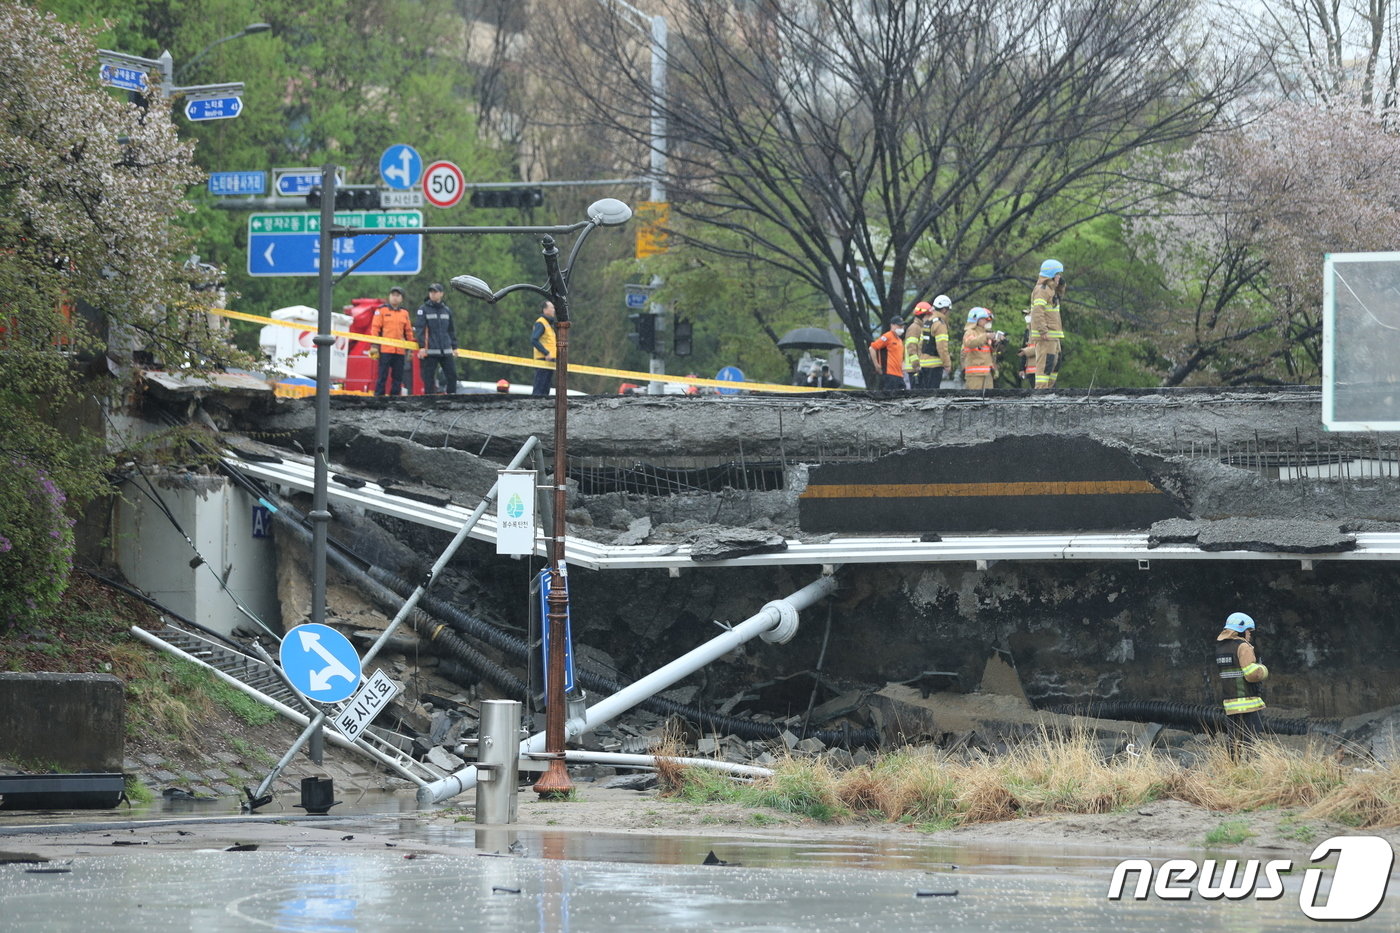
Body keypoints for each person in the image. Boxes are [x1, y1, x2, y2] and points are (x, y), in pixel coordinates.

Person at [1214, 611, 1270, 755]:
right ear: (1241, 630)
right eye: (1248, 631)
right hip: (1248, 704)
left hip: (1230, 705)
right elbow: (1251, 675)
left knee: (1234, 742)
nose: (1250, 635)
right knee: (1252, 742)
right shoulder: (1243, 646)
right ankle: (1252, 772)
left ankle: (1234, 770)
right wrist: (1262, 670)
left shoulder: (1221, 648)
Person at [414, 283, 458, 395]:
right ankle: (430, 402)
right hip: (430, 350)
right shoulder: (423, 309)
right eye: (431, 292)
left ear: (441, 294)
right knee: (428, 378)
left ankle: (451, 399)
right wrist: (422, 347)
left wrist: (454, 346)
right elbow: (420, 329)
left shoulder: (446, 310)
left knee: (452, 376)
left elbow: (451, 330)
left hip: (446, 350)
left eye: (435, 292)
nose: (433, 294)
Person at [370, 287, 414, 397]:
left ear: (401, 298)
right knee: (382, 375)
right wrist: (374, 346)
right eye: (393, 295)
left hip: (399, 351)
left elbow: (408, 332)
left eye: (397, 295)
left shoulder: (404, 313)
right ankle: (379, 397)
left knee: (398, 376)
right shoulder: (381, 310)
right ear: (389, 297)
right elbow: (375, 329)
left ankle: (394, 398)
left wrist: (410, 349)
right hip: (385, 349)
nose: (395, 297)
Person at [1030, 258, 1066, 390]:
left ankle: (1049, 390)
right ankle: (1041, 391)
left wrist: (1061, 285)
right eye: (1058, 274)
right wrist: (1042, 330)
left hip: (1053, 334)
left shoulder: (1051, 290)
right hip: (1047, 334)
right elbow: (1037, 311)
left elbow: (1059, 298)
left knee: (1054, 363)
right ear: (1052, 274)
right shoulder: (1042, 289)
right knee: (1045, 363)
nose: (1059, 277)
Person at [915, 296, 954, 390]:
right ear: (944, 310)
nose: (948, 313)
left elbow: (921, 344)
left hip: (924, 364)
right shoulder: (940, 324)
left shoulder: (928, 322)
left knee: (925, 395)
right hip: (935, 366)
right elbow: (942, 348)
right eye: (948, 310)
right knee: (933, 396)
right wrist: (947, 364)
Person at [961, 307, 1004, 390]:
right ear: (976, 319)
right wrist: (986, 336)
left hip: (987, 373)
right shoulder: (970, 332)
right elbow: (970, 343)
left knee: (988, 399)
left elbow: (991, 352)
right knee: (975, 399)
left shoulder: (984, 333)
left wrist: (997, 342)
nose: (986, 321)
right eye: (983, 319)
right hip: (974, 375)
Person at [868, 316, 907, 391]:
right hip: (889, 373)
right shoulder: (887, 336)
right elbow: (872, 348)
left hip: (899, 375)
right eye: (899, 325)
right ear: (892, 325)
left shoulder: (899, 340)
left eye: (902, 326)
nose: (901, 328)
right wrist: (877, 365)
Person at [530, 300, 557, 397]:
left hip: (549, 360)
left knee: (546, 388)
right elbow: (534, 340)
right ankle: (535, 408)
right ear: (545, 310)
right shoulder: (541, 323)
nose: (554, 310)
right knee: (540, 388)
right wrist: (546, 353)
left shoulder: (548, 324)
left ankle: (542, 409)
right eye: (552, 308)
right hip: (543, 360)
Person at [902, 312, 926, 389]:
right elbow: (911, 347)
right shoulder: (915, 328)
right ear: (923, 316)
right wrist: (916, 365)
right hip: (914, 368)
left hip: (916, 367)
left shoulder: (920, 327)